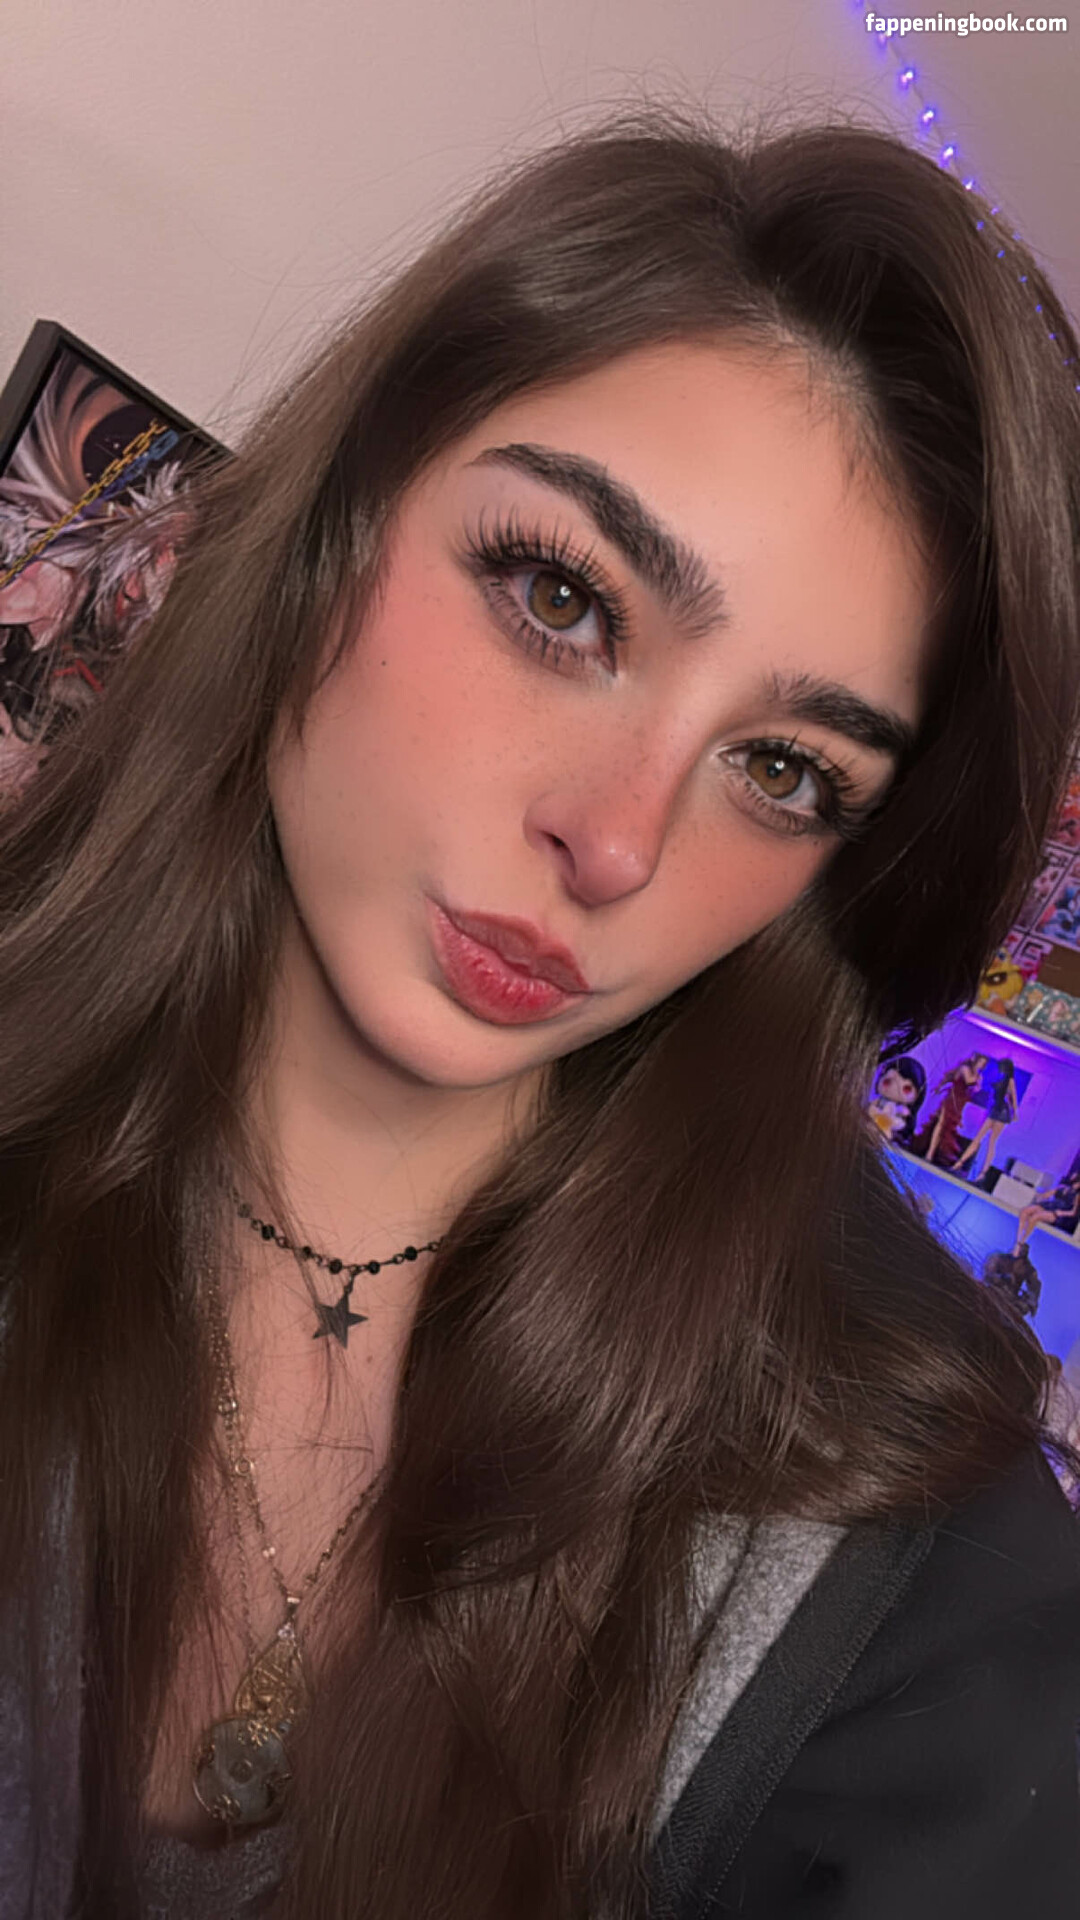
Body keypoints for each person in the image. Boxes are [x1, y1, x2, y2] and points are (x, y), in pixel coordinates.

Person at [1, 105, 1079, 1920]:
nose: (617, 841)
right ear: (344, 515)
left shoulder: (914, 1584)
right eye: (564, 598)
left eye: (785, 770)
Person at [954, 1054, 1020, 1184]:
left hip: (1002, 1112)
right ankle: (959, 1164)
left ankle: (982, 1173)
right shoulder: (1001, 1078)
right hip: (995, 1109)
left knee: (991, 1142)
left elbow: (1014, 1098)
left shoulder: (1010, 1080)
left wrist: (1015, 1113)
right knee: (979, 1138)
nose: (1000, 1068)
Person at [917, 1052, 987, 1165]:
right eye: (980, 1062)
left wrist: (978, 1083)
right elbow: (968, 1081)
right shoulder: (965, 1068)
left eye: (983, 1064)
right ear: (975, 1061)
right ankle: (929, 1153)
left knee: (948, 1127)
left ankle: (937, 1153)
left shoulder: (977, 1076)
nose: (980, 1065)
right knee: (941, 1123)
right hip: (952, 1099)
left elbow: (975, 1090)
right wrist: (977, 1078)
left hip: (960, 1103)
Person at [1013, 1169, 1080, 1253]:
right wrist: (1040, 1195)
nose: (1073, 1175)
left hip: (1059, 1213)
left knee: (1035, 1217)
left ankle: (1021, 1243)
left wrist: (1060, 1213)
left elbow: (1073, 1212)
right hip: (1050, 1206)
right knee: (1025, 1211)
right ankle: (1018, 1239)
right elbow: (1046, 1195)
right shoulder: (1063, 1187)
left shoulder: (1077, 1196)